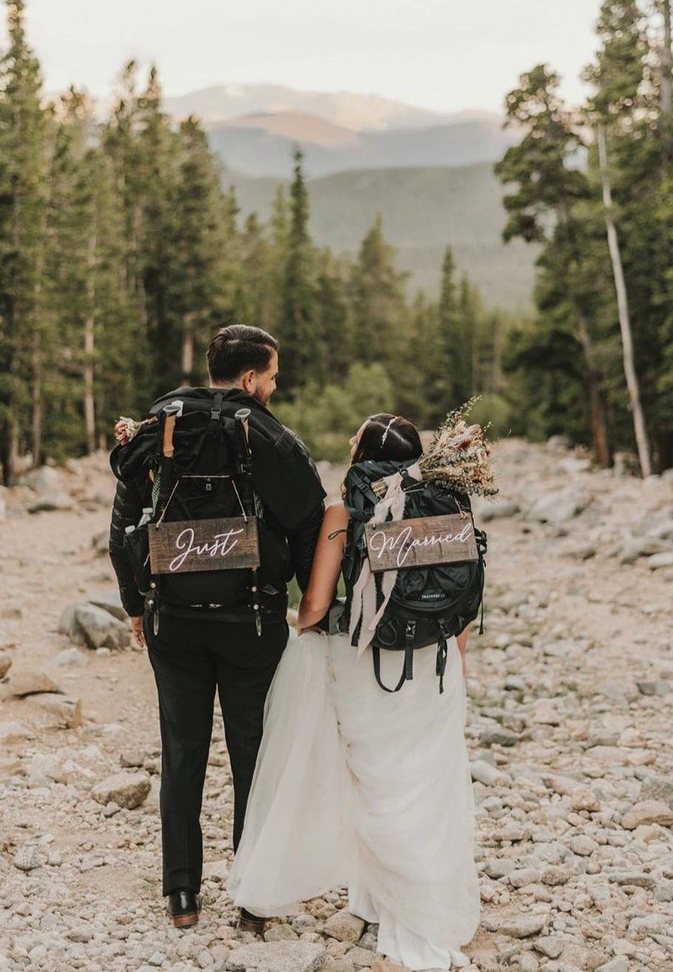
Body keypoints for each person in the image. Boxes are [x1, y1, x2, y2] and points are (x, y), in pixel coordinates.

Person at [228, 413, 480, 971]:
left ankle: (315, 882)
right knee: (423, 780)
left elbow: (316, 603)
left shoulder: (346, 511)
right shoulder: (450, 505)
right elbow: (465, 599)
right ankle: (410, 898)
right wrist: (452, 660)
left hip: (369, 664)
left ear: (364, 452)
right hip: (436, 665)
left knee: (370, 778)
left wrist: (308, 630)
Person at [109, 325, 325, 931]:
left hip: (172, 621)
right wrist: (308, 606)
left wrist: (134, 604)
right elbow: (311, 518)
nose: (274, 387)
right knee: (253, 754)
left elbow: (124, 522)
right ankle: (253, 900)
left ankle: (182, 897)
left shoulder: (164, 425)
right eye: (273, 377)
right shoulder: (268, 434)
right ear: (252, 378)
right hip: (252, 623)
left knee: (182, 753)